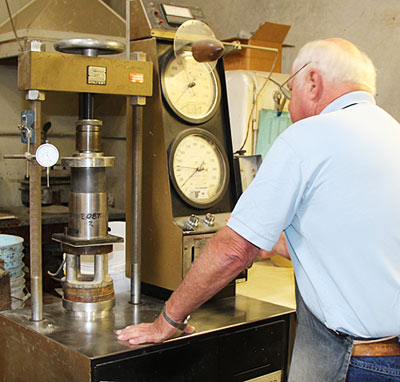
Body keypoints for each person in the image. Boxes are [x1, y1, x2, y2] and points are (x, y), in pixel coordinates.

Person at [116, 38, 400, 381]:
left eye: (289, 88)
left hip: (358, 364)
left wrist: (167, 322)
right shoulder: (391, 133)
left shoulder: (307, 138)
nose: (289, 101)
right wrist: (280, 242)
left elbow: (234, 251)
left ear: (312, 81)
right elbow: (359, 239)